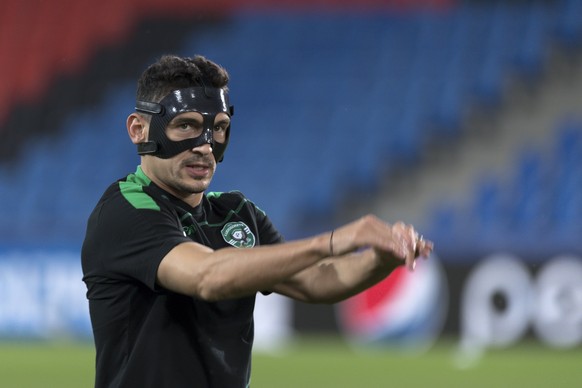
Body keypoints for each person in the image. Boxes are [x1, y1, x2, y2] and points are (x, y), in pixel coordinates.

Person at [81, 54, 433, 388]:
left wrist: (382, 257)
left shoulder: (237, 214)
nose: (205, 146)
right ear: (139, 129)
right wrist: (331, 241)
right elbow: (208, 276)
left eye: (218, 128)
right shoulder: (123, 211)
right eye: (185, 125)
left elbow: (318, 281)